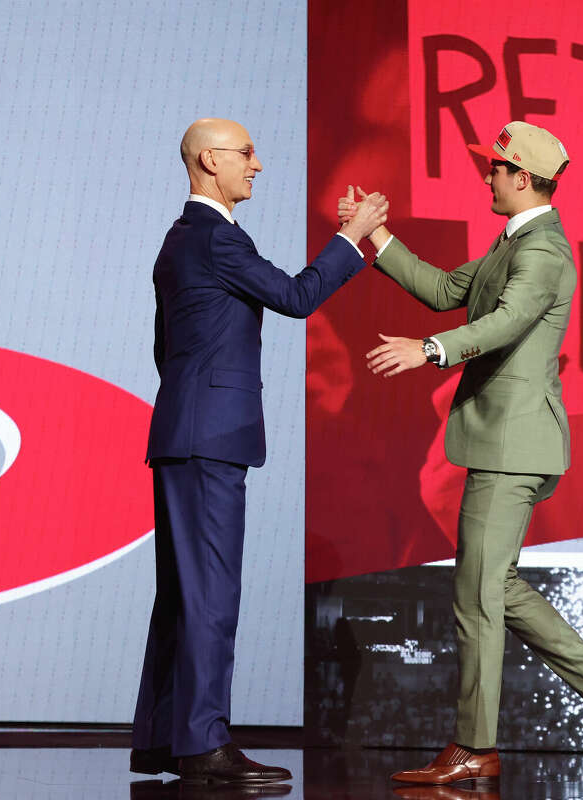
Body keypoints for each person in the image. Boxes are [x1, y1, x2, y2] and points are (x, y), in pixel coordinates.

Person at [342, 121, 583, 784]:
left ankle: (476, 746)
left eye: (496, 169)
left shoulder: (544, 252)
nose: (488, 177)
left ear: (524, 178)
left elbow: (506, 323)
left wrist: (429, 350)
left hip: (516, 442)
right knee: (490, 584)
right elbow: (446, 291)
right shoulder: (515, 241)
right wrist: (375, 235)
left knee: (477, 591)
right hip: (503, 438)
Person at [131, 118, 387, 784]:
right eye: (246, 153)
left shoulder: (180, 240)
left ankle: (165, 738)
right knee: (210, 594)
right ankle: (204, 746)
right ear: (210, 160)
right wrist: (351, 238)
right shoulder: (215, 238)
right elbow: (297, 296)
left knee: (184, 595)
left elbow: (168, 349)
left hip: (187, 432)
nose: (258, 164)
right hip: (209, 438)